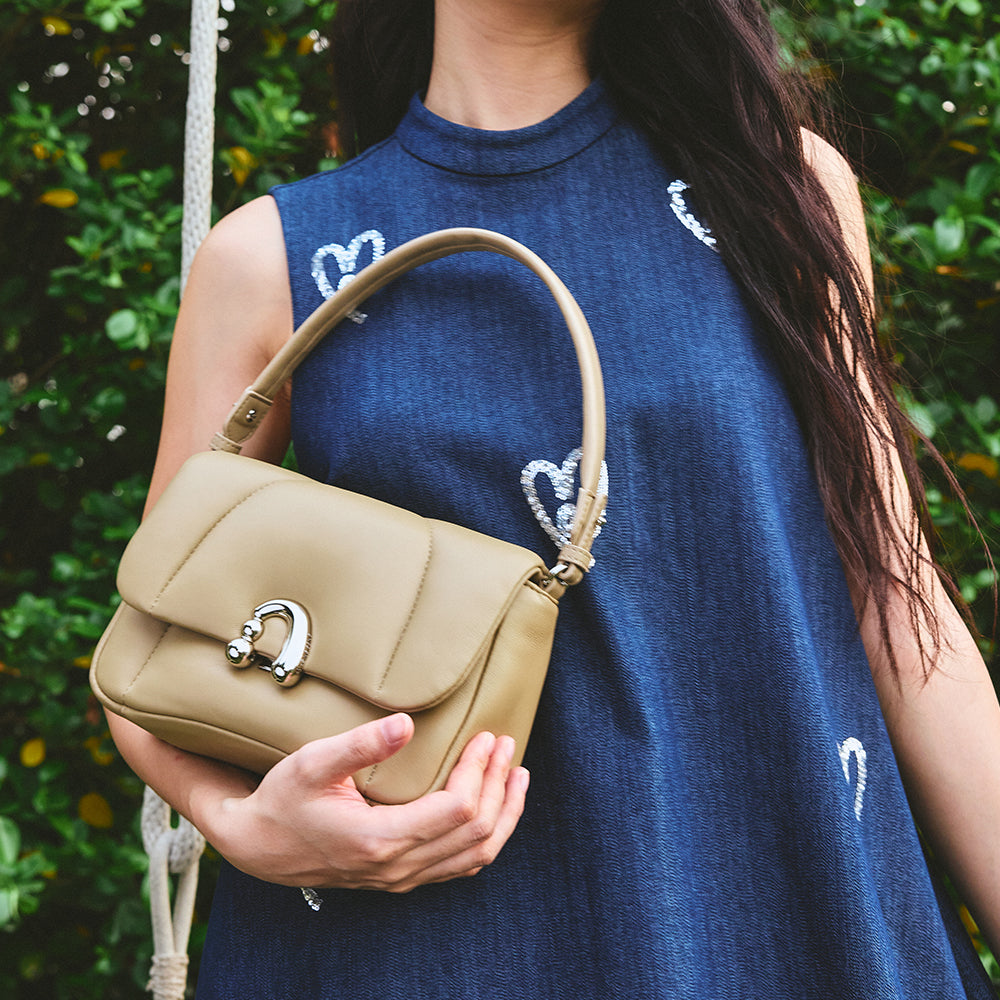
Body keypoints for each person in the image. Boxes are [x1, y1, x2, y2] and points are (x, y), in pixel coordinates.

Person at [105, 0, 1000, 996]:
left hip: (784, 913)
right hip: (414, 947)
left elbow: (897, 605)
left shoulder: (779, 188)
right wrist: (243, 826)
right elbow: (147, 643)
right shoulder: (265, 259)